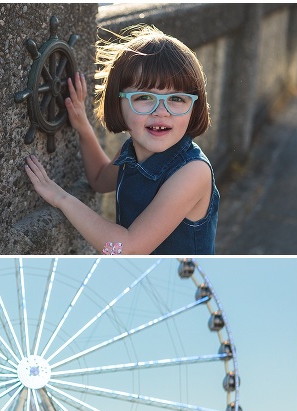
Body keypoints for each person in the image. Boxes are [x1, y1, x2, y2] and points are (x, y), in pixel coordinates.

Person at [24, 26, 219, 255]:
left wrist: (60, 197)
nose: (161, 111)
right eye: (145, 97)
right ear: (118, 103)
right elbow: (99, 179)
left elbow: (126, 249)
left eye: (176, 98)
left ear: (193, 107)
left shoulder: (192, 172)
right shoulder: (132, 151)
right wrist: (83, 126)